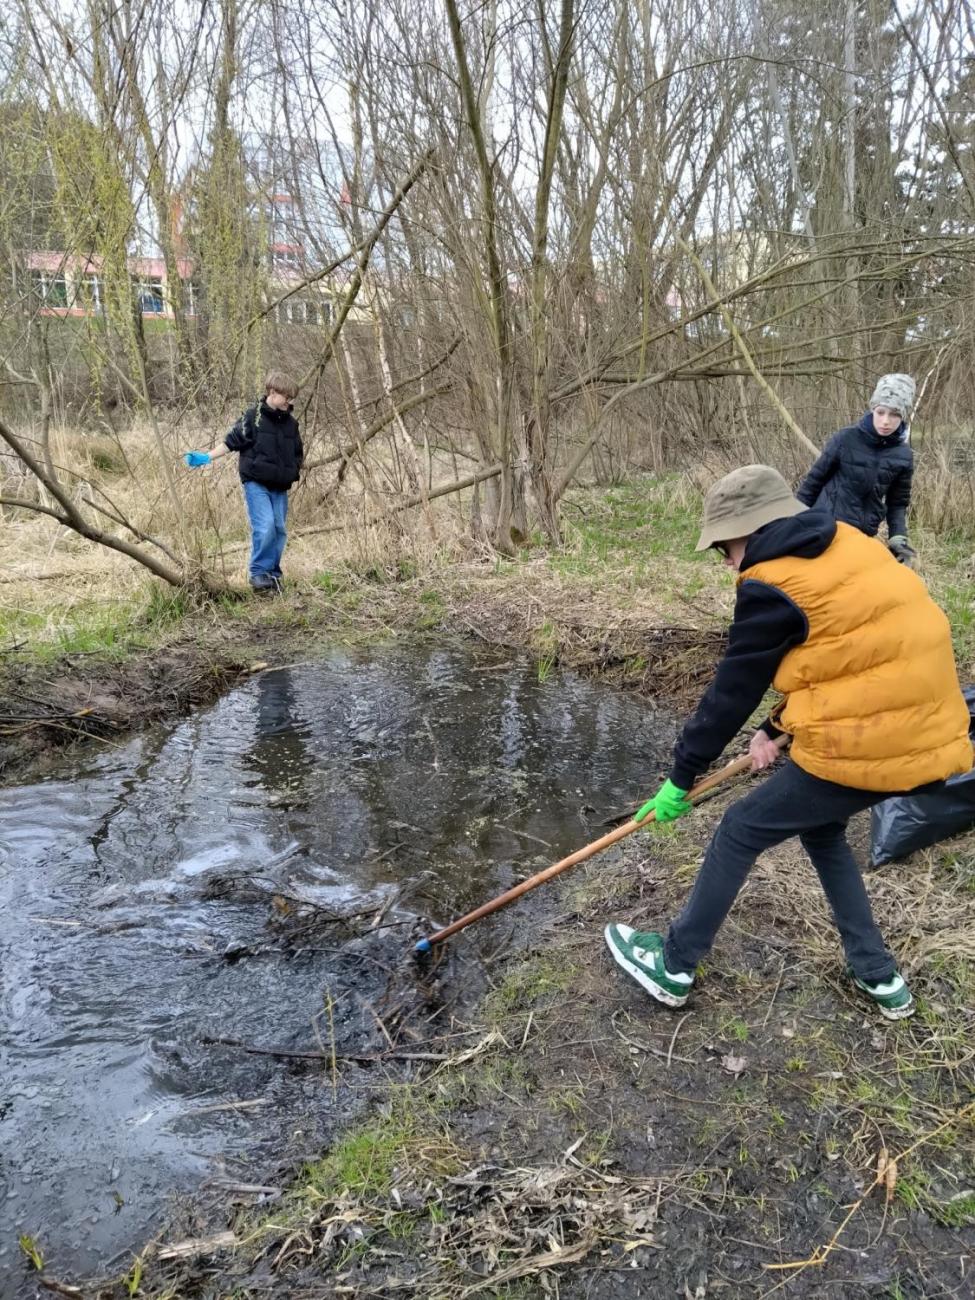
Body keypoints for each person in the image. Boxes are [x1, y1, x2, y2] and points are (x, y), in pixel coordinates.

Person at [604, 465, 972, 1021]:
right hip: (933, 736)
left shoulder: (773, 582)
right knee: (821, 829)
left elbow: (732, 689)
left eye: (723, 547)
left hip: (873, 742)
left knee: (739, 829)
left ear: (749, 530)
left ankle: (674, 965)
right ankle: (879, 975)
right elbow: (850, 663)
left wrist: (682, 777)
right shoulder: (851, 544)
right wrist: (777, 728)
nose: (726, 561)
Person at [184, 372, 303, 593]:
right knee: (265, 526)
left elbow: (298, 453)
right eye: (287, 396)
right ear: (272, 393)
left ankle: (273, 575)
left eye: (291, 397)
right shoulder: (253, 417)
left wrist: (293, 471)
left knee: (279, 529)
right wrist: (206, 457)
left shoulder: (291, 424)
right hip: (256, 482)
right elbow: (231, 442)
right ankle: (258, 574)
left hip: (280, 486)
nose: (290, 401)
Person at [796, 373, 916, 563]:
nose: (886, 421)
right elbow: (813, 482)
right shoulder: (845, 439)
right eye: (881, 412)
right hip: (825, 529)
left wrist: (898, 539)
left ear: (903, 416)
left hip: (862, 536)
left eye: (894, 414)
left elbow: (897, 503)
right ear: (873, 409)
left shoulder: (904, 455)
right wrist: (794, 520)